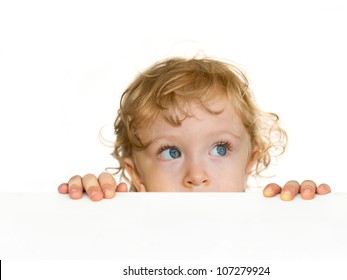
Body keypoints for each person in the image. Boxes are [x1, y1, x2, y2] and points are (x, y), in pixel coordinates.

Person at [58, 57, 331, 201]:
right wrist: (90, 210)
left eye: (220, 149)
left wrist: (300, 217)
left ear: (249, 162)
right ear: (136, 175)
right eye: (171, 152)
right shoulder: (124, 233)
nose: (197, 177)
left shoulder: (264, 232)